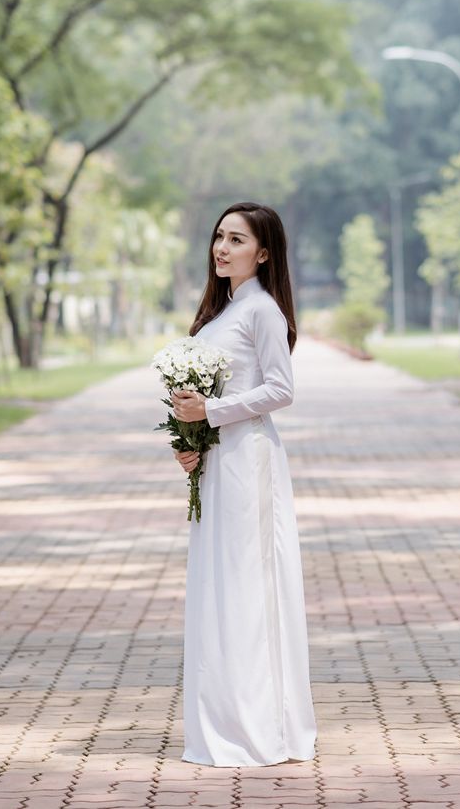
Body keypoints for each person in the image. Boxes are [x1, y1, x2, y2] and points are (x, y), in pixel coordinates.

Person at [170, 201, 317, 766]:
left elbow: (281, 389)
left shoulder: (263, 312)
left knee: (248, 587)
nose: (222, 248)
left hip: (250, 461)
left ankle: (262, 727)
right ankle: (222, 715)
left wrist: (210, 413)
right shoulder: (219, 314)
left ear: (264, 252)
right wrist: (188, 437)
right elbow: (201, 401)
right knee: (218, 587)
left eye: (236, 239)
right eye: (219, 237)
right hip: (216, 459)